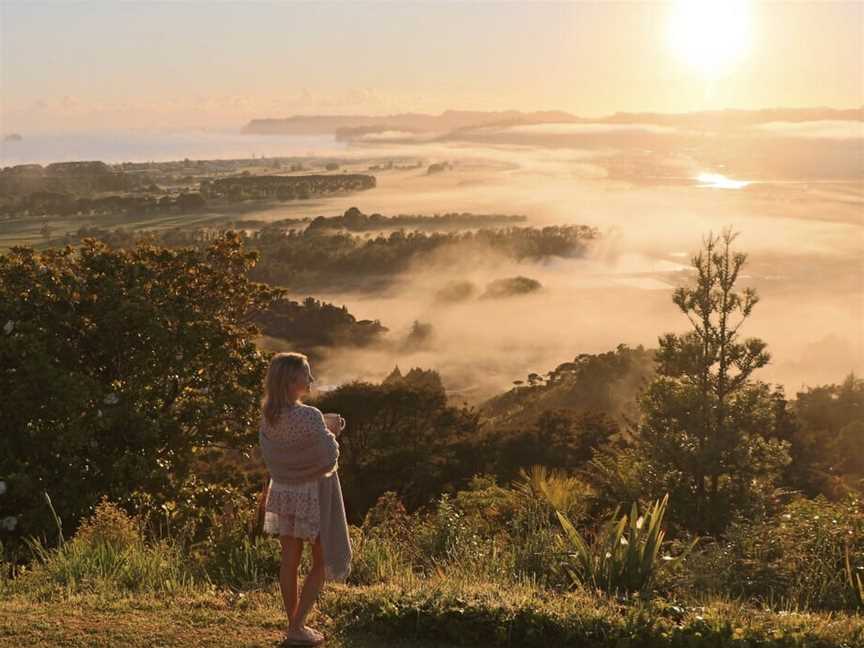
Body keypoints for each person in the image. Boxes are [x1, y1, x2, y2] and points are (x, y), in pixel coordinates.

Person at [257, 352, 351, 646]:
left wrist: (321, 425)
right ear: (291, 380)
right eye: (306, 374)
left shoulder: (268, 416)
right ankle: (297, 627)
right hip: (311, 495)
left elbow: (282, 451)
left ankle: (293, 624)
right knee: (321, 561)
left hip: (284, 492)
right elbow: (328, 457)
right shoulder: (309, 416)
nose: (310, 379)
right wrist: (332, 430)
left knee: (289, 561)